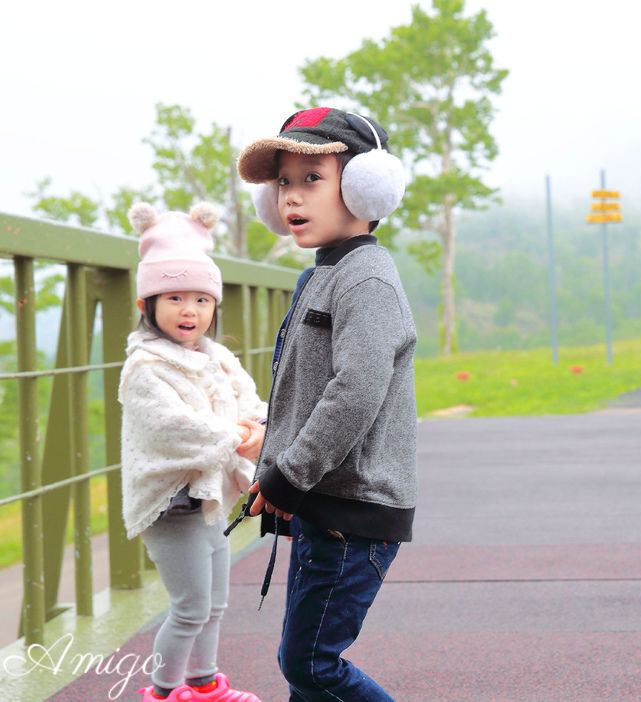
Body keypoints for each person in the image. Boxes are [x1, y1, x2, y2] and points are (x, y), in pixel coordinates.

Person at [230, 106, 417, 701]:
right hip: (322, 503)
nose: (291, 196)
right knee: (306, 669)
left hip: (351, 510)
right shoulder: (322, 275)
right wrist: (277, 459)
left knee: (310, 664)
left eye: (313, 179)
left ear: (365, 187)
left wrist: (289, 475)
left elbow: (356, 390)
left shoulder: (366, 279)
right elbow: (306, 385)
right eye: (284, 181)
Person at [119, 201, 267, 702]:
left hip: (207, 498)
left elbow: (248, 399)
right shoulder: (144, 366)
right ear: (147, 305)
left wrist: (257, 424)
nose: (190, 311)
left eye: (202, 301)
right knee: (188, 607)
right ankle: (162, 693)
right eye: (175, 298)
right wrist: (235, 435)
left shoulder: (216, 356)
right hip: (169, 502)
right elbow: (173, 426)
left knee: (215, 604)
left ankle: (203, 685)